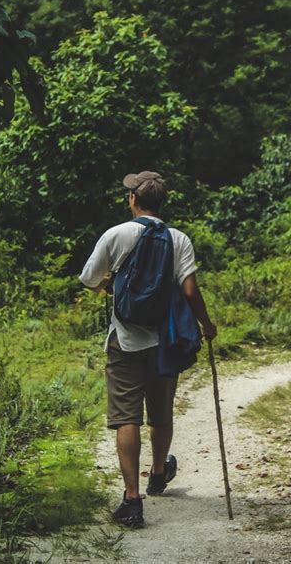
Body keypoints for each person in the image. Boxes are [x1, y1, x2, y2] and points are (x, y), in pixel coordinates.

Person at [79, 171, 217, 526]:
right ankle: (158, 474)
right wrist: (206, 324)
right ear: (161, 203)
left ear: (133, 200)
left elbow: (89, 280)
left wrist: (111, 287)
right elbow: (189, 291)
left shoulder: (116, 234)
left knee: (127, 416)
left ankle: (132, 499)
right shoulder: (179, 239)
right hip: (164, 340)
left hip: (124, 340)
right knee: (161, 411)